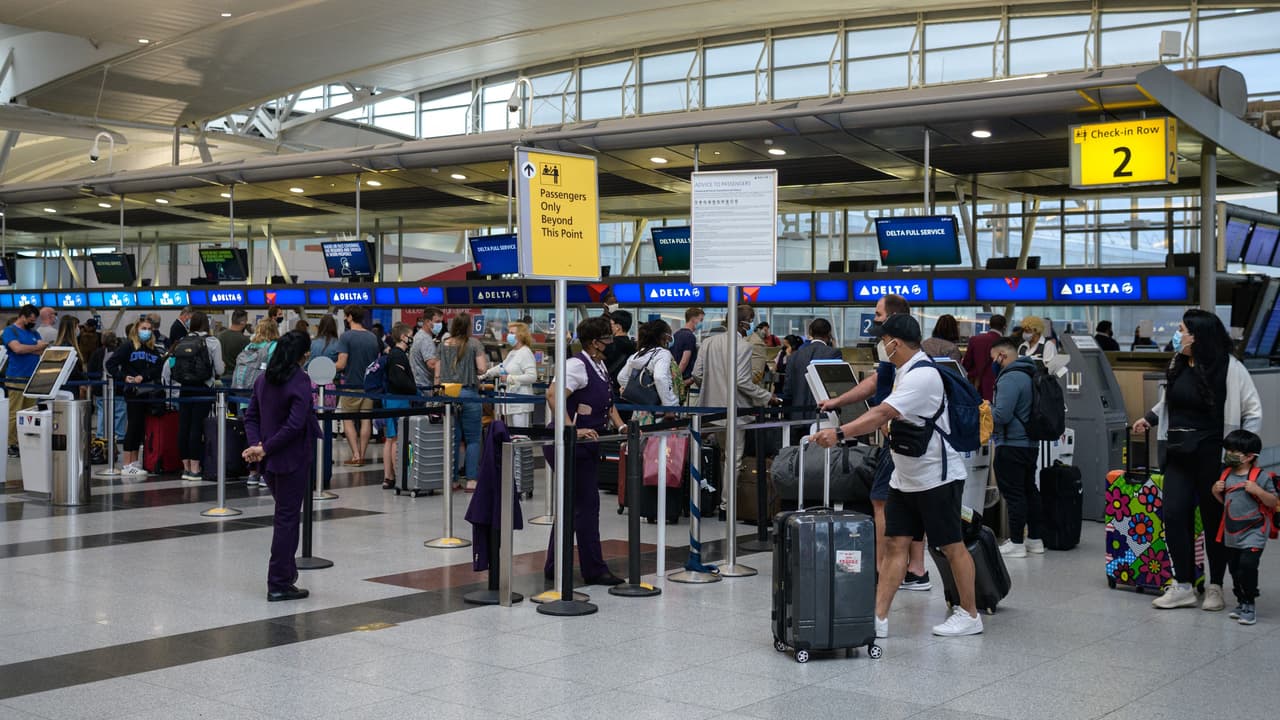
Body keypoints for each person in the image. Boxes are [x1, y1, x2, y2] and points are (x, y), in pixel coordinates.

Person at [812, 314, 983, 638]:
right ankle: (878, 617)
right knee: (894, 544)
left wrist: (839, 432)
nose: (880, 344)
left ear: (896, 343)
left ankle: (970, 614)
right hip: (905, 478)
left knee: (950, 546)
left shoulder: (923, 376)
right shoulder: (902, 371)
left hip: (937, 477)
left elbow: (881, 414)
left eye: (883, 338)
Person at [1133, 309, 1262, 612]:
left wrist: (1238, 456)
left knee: (1214, 521)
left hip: (1213, 456)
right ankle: (1183, 585)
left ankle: (1216, 585)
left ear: (1198, 335)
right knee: (1174, 514)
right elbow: (1169, 401)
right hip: (1178, 452)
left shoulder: (1230, 368)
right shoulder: (1179, 362)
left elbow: (1252, 411)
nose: (1177, 335)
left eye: (1181, 329)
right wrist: (1150, 418)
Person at [819, 294, 930, 588]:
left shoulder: (900, 352)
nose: (874, 318)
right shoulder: (900, 352)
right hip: (907, 441)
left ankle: (883, 569)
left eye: (878, 313)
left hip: (898, 438)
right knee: (912, 502)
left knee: (881, 500)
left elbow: (883, 407)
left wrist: (842, 431)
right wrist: (838, 400)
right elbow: (874, 383)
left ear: (892, 321)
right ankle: (916, 569)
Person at [543, 316, 628, 586]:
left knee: (573, 505)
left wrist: (621, 426)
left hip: (586, 445)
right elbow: (553, 395)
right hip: (571, 445)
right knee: (587, 506)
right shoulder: (577, 365)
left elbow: (608, 402)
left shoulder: (599, 365)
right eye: (607, 339)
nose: (611, 343)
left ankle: (554, 564)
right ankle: (594, 569)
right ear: (595, 342)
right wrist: (571, 430)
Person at [242, 330, 321, 603]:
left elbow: (250, 416)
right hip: (291, 459)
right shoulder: (300, 380)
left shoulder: (263, 380)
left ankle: (286, 575)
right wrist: (264, 448)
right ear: (302, 354)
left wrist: (258, 447)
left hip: (269, 461)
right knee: (286, 521)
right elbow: (295, 424)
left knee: (284, 517)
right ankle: (278, 582)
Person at [692, 304, 777, 477]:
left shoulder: (708, 342)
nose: (752, 326)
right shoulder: (743, 346)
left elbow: (696, 373)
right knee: (734, 459)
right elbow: (742, 381)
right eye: (751, 321)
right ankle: (727, 503)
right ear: (743, 324)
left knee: (723, 454)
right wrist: (767, 396)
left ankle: (721, 500)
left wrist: (713, 386)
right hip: (736, 411)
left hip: (713, 410)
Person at [1212, 429, 1276, 625]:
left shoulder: (1260, 476)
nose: (1228, 454)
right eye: (1228, 450)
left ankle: (1250, 604)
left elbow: (1273, 501)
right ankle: (1240, 600)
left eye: (1233, 451)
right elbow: (1225, 502)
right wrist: (1215, 491)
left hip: (1255, 531)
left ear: (1249, 456)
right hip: (1232, 532)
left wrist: (1257, 490)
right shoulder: (1226, 474)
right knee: (1235, 569)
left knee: (1248, 565)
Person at [988, 338, 1043, 557]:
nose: (993, 363)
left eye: (994, 358)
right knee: (1030, 490)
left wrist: (985, 409)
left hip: (1011, 443)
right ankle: (1035, 540)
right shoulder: (1031, 373)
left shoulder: (1010, 378)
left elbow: (1002, 415)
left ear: (1002, 355)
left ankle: (1017, 543)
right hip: (1030, 443)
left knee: (1014, 494)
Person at [167, 312, 224, 481]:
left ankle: (185, 467)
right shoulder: (213, 342)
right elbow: (220, 370)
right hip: (203, 388)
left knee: (184, 426)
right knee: (197, 427)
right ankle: (195, 467)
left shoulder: (182, 341)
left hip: (185, 388)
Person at [106, 319, 164, 476]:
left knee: (141, 428)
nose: (146, 331)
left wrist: (143, 376)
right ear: (136, 329)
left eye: (149, 329)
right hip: (133, 392)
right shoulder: (128, 346)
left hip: (148, 391)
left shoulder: (153, 349)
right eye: (143, 328)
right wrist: (124, 377)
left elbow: (158, 367)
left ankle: (135, 461)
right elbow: (110, 364)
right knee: (133, 425)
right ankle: (127, 463)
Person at [438, 314, 488, 492]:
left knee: (453, 438)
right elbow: (482, 368)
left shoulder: (443, 344)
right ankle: (471, 480)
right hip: (468, 392)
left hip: (448, 393)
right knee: (473, 439)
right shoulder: (474, 344)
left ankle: (452, 480)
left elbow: (437, 373)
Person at [334, 306, 382, 466]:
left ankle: (355, 455)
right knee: (366, 420)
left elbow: (341, 363)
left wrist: (325, 367)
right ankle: (362, 454)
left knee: (348, 420)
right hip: (369, 386)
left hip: (351, 384)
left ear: (349, 317)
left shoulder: (346, 337)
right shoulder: (372, 337)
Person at [782, 318, 841, 442]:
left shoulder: (794, 355)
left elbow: (788, 389)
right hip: (823, 416)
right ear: (829, 334)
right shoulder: (833, 353)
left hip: (797, 415)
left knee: (800, 453)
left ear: (810, 332)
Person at [618, 319, 681, 426]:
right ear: (664, 337)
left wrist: (640, 394)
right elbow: (660, 377)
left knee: (641, 441)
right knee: (661, 442)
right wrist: (669, 406)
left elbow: (621, 377)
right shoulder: (663, 353)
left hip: (640, 410)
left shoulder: (637, 354)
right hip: (659, 411)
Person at [4, 305, 48, 458]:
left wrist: (30, 348)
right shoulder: (11, 331)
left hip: (32, 378)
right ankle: (11, 443)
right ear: (22, 316)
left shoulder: (33, 332)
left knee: (30, 413)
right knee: (15, 412)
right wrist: (34, 347)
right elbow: (17, 349)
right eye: (30, 320)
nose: (32, 323)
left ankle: (26, 441)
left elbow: (42, 349)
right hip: (16, 378)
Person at [381, 323, 417, 490]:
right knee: (396, 438)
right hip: (398, 400)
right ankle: (399, 476)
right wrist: (414, 389)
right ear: (403, 337)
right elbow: (400, 380)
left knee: (390, 437)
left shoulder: (392, 354)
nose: (412, 338)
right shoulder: (398, 355)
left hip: (390, 398)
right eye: (410, 334)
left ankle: (388, 476)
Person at [481, 320, 537, 428]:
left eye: (512, 333)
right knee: (511, 436)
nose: (509, 335)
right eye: (509, 332)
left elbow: (532, 376)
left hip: (520, 403)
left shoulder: (526, 353)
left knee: (520, 437)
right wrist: (485, 375)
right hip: (510, 402)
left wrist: (509, 378)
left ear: (520, 336)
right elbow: (502, 367)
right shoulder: (512, 353)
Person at [91, 331, 127, 445]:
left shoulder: (97, 353)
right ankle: (118, 435)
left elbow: (91, 369)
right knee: (120, 412)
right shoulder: (121, 352)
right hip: (119, 388)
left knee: (102, 412)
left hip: (101, 388)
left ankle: (101, 435)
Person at [962, 314, 1006, 402]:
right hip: (996, 387)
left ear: (990, 325)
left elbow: (966, 364)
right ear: (1004, 327)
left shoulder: (975, 339)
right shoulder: (1005, 343)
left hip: (976, 386)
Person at [603, 309, 636, 399]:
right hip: (627, 390)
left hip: (611, 389)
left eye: (611, 324)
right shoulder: (634, 346)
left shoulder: (609, 346)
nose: (609, 327)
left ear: (618, 327)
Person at [410, 307, 444, 392]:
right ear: (428, 322)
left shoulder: (419, 335)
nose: (440, 325)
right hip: (424, 387)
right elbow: (432, 365)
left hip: (419, 384)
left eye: (441, 322)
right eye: (437, 322)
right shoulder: (425, 339)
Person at [54, 316, 88, 399]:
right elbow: (73, 370)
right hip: (69, 388)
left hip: (62, 387)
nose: (78, 329)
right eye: (77, 326)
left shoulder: (58, 347)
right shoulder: (68, 348)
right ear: (72, 329)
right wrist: (84, 380)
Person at [671, 307, 703, 387]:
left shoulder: (676, 334)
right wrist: (677, 380)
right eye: (701, 320)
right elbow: (684, 361)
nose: (701, 323)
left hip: (674, 374)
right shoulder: (690, 336)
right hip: (682, 379)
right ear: (693, 319)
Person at [218, 310, 251, 380]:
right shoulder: (245, 340)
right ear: (242, 322)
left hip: (221, 376)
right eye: (246, 321)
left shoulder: (220, 336)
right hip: (237, 377)